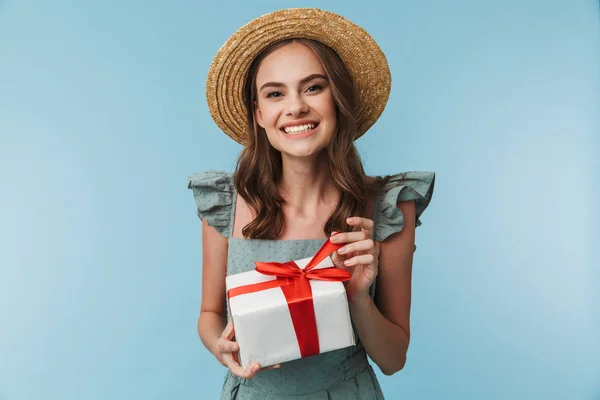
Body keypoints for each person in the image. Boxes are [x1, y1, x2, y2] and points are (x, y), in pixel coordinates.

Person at [188, 8, 435, 399]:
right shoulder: (226, 204)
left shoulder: (386, 207)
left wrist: (356, 295)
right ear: (260, 114)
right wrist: (221, 348)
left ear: (338, 99)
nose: (296, 107)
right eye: (274, 93)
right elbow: (209, 316)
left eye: (313, 87)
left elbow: (393, 359)